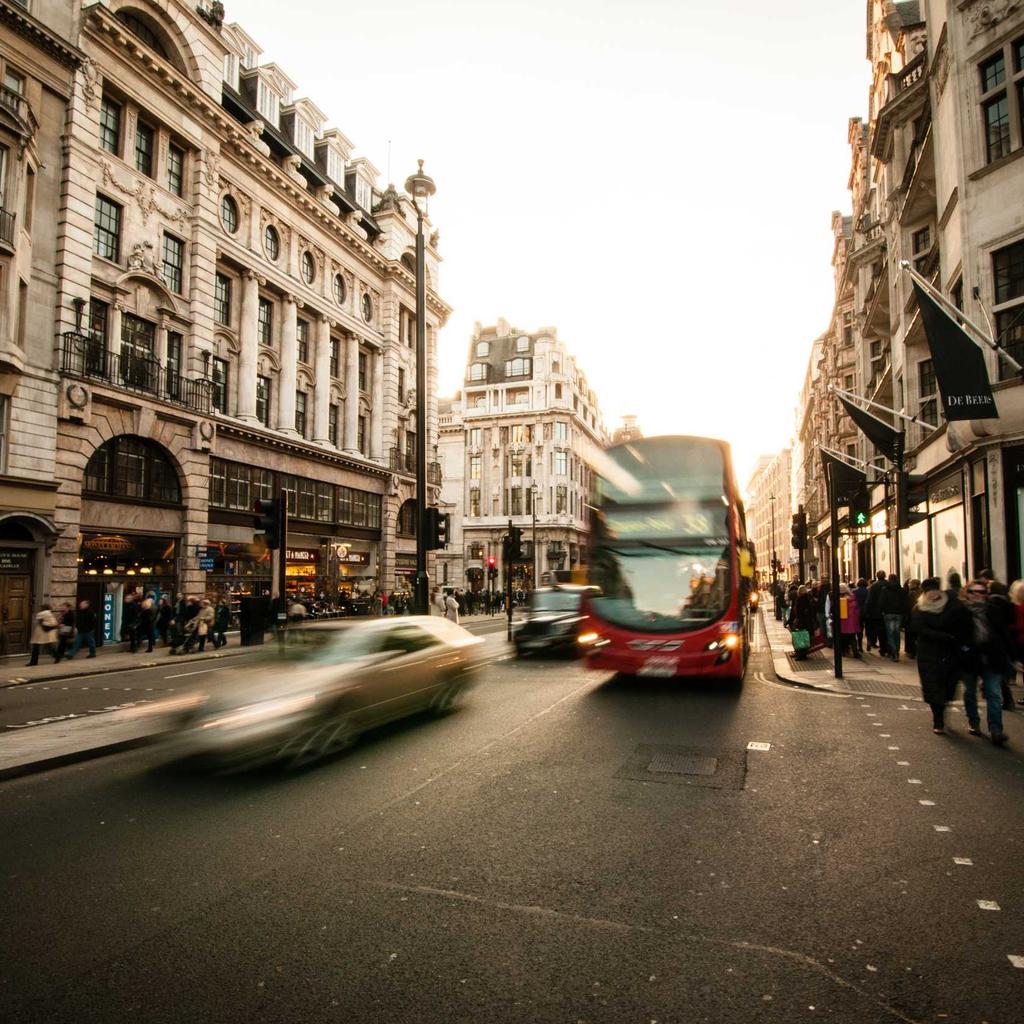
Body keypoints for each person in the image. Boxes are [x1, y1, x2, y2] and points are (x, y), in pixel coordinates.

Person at [910, 578, 970, 735]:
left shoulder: (951, 605)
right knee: (932, 686)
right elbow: (918, 629)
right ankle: (938, 719)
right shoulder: (919, 608)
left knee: (949, 684)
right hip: (928, 653)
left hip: (949, 652)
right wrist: (943, 636)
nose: (932, 594)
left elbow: (962, 622)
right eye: (928, 591)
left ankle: (942, 709)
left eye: (934, 590)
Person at [962, 579, 1010, 746]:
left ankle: (996, 729)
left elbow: (1004, 634)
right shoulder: (961, 611)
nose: (977, 595)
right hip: (970, 658)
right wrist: (963, 649)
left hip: (992, 657)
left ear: (986, 594)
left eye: (981, 592)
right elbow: (955, 635)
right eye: (973, 592)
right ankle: (974, 722)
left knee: (994, 694)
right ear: (967, 593)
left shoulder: (993, 610)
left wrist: (1013, 657)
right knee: (970, 692)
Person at [879, 573, 907, 662]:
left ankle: (893, 652)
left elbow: (881, 602)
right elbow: (905, 602)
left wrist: (883, 610)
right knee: (897, 633)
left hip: (888, 613)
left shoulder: (885, 590)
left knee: (890, 634)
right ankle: (897, 651)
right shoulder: (902, 590)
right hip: (899, 614)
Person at [863, 570, 888, 655]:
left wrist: (867, 610)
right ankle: (884, 648)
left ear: (877, 576)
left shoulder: (874, 586)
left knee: (874, 629)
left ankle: (871, 641)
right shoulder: (888, 584)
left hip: (875, 612)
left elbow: (869, 600)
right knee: (883, 631)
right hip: (886, 611)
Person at [838, 582, 862, 658]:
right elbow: (857, 609)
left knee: (843, 637)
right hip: (852, 622)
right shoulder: (852, 597)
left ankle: (843, 651)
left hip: (843, 621)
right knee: (852, 637)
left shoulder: (839, 599)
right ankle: (855, 652)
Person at [903, 579, 921, 658]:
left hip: (911, 616)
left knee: (910, 635)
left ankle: (911, 651)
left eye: (910, 583)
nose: (909, 585)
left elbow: (907, 604)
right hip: (918, 616)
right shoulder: (921, 592)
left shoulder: (910, 593)